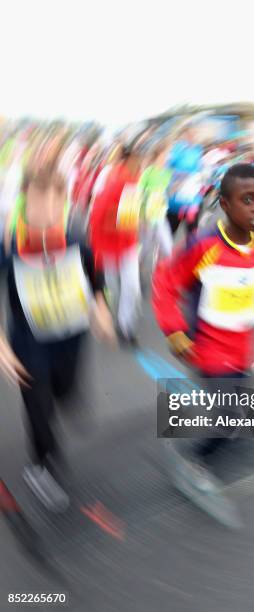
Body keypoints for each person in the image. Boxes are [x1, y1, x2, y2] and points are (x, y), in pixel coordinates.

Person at [152, 163, 254, 527]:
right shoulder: (203, 246)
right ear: (224, 203)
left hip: (242, 352)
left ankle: (211, 443)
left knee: (235, 416)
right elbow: (165, 284)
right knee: (230, 418)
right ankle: (192, 460)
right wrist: (175, 331)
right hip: (207, 350)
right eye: (247, 199)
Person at [0, 160, 115, 512]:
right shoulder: (9, 244)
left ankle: (66, 397)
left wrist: (102, 308)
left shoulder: (75, 236)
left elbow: (97, 277)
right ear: (24, 200)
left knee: (64, 390)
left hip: (72, 334)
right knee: (39, 405)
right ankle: (42, 465)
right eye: (40, 202)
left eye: (56, 203)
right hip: (29, 340)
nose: (49, 211)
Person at [88, 139, 142, 345]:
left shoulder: (135, 179)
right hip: (108, 244)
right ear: (127, 159)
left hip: (127, 243)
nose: (139, 164)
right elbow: (97, 214)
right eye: (137, 159)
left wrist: (135, 220)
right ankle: (105, 313)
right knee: (112, 286)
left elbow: (132, 211)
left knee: (132, 286)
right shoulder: (113, 180)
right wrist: (96, 245)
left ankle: (125, 326)